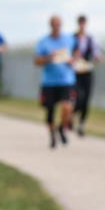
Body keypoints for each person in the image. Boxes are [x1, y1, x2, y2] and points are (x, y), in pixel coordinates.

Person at [34, 15, 76, 149]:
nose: (57, 27)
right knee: (50, 111)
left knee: (67, 107)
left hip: (66, 79)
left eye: (59, 24)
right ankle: (52, 134)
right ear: (50, 25)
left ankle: (61, 128)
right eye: (54, 24)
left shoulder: (69, 39)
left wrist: (72, 60)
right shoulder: (43, 42)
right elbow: (37, 61)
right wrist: (49, 58)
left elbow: (76, 53)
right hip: (49, 82)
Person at [71, 14, 101, 137]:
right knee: (79, 98)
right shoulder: (72, 38)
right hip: (75, 72)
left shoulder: (90, 39)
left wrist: (97, 57)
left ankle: (81, 124)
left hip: (87, 71)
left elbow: (96, 54)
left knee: (86, 99)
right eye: (80, 22)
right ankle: (71, 115)